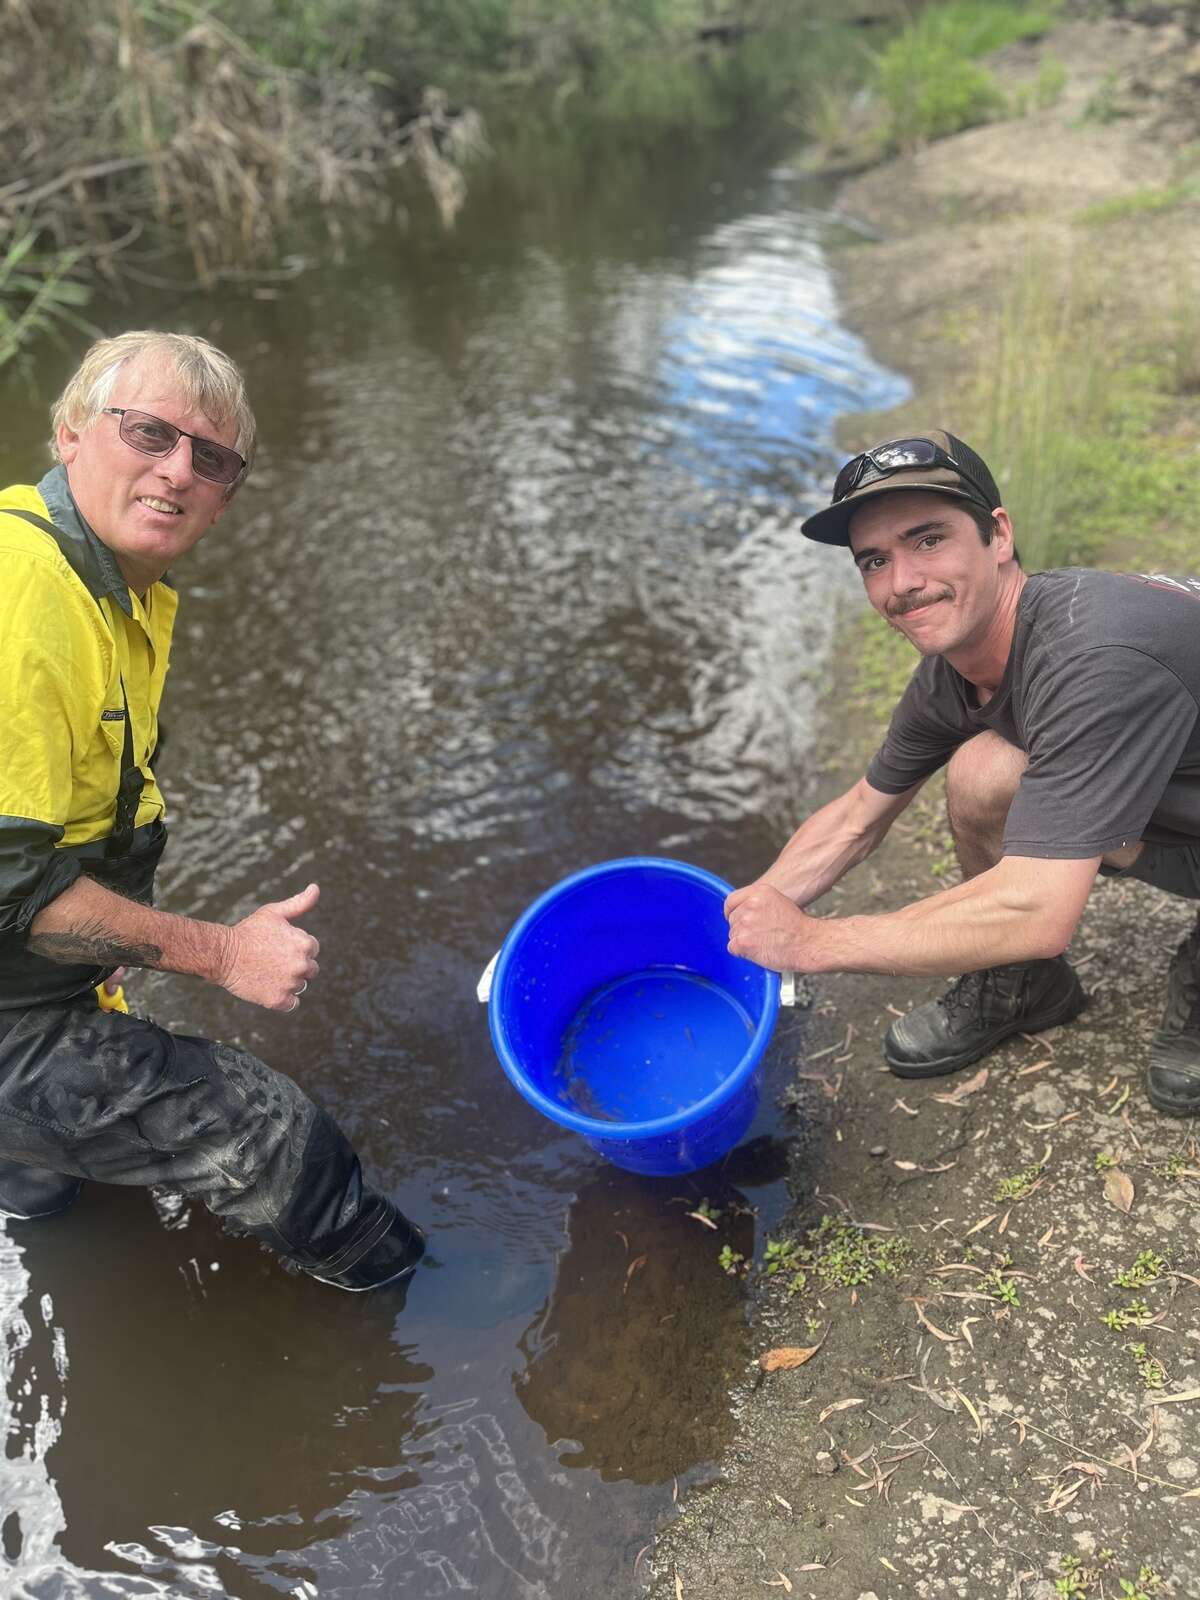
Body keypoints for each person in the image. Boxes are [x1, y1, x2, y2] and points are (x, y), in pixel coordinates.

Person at [0, 329, 425, 1286]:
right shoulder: (21, 589)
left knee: (46, 1186)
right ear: (71, 432)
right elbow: (7, 886)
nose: (177, 472)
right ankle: (438, 1314)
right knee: (264, 1136)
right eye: (149, 433)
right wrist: (226, 954)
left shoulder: (118, 592)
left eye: (212, 457)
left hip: (30, 983)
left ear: (228, 494)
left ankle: (41, 1204)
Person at [724, 430, 1200, 1116]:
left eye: (928, 540)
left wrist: (814, 941)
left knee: (1031, 884)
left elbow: (1039, 910)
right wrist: (749, 914)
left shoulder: (1093, 657)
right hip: (1178, 803)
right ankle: (1022, 985)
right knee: (982, 772)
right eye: (875, 561)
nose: (902, 584)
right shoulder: (957, 672)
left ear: (998, 535)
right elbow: (859, 816)